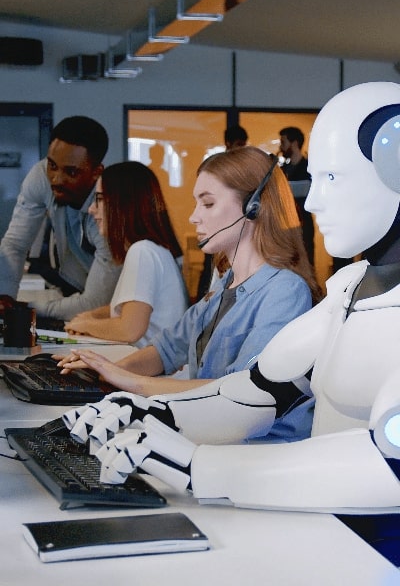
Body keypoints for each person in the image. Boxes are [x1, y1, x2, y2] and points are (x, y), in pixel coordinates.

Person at [63, 82, 400, 516]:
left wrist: (197, 466)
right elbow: (253, 393)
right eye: (315, 179)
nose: (313, 201)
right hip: (319, 526)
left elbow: (387, 467)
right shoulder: (347, 288)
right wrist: (146, 414)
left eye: (333, 178)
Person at [60, 145, 321, 443]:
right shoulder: (225, 284)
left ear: (254, 208)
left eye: (207, 204)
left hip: (255, 452)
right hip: (210, 438)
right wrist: (105, 372)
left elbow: (239, 393)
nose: (194, 217)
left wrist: (134, 383)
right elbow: (165, 350)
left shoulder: (284, 292)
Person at [0, 116, 121, 321]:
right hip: (76, 282)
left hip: (115, 306)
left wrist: (25, 308)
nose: (56, 179)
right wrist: (5, 297)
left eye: (71, 172)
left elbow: (95, 303)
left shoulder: (110, 212)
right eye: (52, 165)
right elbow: (15, 244)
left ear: (96, 172)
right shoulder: (40, 177)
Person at [64, 161, 188, 345]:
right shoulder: (152, 250)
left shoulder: (142, 252)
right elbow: (132, 309)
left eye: (98, 199)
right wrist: (93, 315)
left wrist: (85, 325)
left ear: (122, 202)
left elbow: (129, 329)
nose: (91, 209)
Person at [197, 123, 249, 300]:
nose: (240, 149)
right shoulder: (218, 169)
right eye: (237, 144)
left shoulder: (244, 170)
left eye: (243, 144)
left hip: (238, 228)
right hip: (219, 228)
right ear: (228, 143)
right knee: (213, 269)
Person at [279, 126, 315, 265]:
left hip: (303, 223)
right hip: (285, 225)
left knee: (306, 262)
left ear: (294, 143)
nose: (281, 147)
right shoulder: (282, 170)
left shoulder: (308, 168)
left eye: (283, 142)